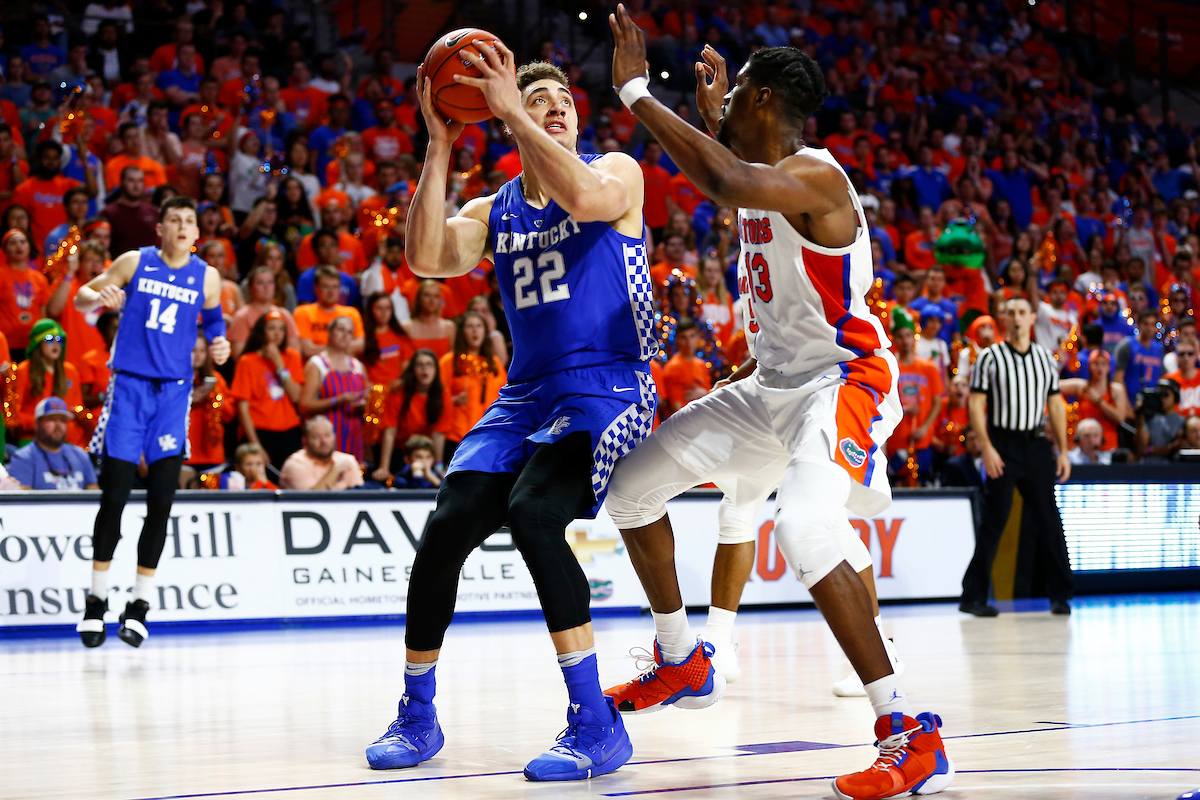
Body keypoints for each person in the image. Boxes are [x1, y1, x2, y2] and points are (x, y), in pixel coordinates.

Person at [603, 22, 951, 800]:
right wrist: (706, 118)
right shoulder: (762, 171)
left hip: (845, 381)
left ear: (760, 96)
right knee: (630, 489)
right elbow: (731, 176)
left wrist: (635, 92)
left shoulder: (818, 177)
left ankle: (907, 732)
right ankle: (683, 658)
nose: (721, 97)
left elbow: (725, 180)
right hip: (770, 387)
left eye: (735, 89)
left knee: (801, 527)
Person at [364, 50, 656, 782]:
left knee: (532, 513)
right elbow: (428, 257)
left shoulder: (617, 171)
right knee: (447, 525)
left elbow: (587, 202)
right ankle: (417, 711)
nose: (556, 106)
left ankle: (596, 724)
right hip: (526, 396)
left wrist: (515, 112)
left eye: (563, 99)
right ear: (501, 111)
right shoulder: (495, 209)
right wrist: (441, 141)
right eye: (537, 97)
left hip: (610, 386)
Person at [72, 196, 231, 649]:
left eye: (189, 221)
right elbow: (86, 296)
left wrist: (219, 346)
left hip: (173, 394)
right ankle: (96, 600)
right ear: (160, 228)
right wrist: (99, 297)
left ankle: (139, 605)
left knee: (161, 502)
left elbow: (216, 324)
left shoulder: (208, 276)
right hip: (129, 389)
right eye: (174, 220)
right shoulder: (134, 261)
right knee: (115, 497)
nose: (182, 227)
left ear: (197, 233)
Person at [962, 296, 1073, 618]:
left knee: (1049, 519)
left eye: (1022, 312)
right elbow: (975, 405)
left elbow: (1055, 406)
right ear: (1003, 318)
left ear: (1032, 317)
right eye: (1010, 313)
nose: (1017, 318)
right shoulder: (990, 357)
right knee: (994, 521)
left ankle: (1061, 595)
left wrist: (1063, 450)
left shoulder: (1044, 359)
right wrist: (987, 447)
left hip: (1036, 444)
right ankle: (973, 597)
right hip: (1002, 443)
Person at [230, 311, 305, 469]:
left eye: (281, 329)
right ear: (262, 331)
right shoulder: (247, 361)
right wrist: (256, 446)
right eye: (272, 328)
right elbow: (242, 409)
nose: (277, 334)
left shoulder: (292, 357)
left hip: (289, 432)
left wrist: (279, 365)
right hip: (259, 432)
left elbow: (296, 396)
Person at [438, 311, 507, 466]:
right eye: (470, 327)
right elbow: (436, 398)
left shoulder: (494, 363)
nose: (475, 331)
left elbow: (505, 397)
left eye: (479, 326)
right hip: (456, 436)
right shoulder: (449, 361)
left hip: (488, 435)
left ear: (485, 332)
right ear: (462, 332)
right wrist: (453, 400)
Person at [299, 316, 368, 462]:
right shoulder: (317, 365)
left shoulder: (357, 366)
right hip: (324, 439)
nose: (345, 335)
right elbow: (304, 404)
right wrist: (338, 400)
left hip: (353, 436)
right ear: (330, 333)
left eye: (349, 332)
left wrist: (363, 406)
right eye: (340, 330)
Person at [888, 309, 945, 483]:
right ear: (894, 339)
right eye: (900, 336)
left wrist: (925, 428)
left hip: (922, 440)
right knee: (896, 484)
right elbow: (882, 402)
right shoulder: (889, 368)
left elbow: (937, 402)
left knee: (923, 483)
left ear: (914, 336)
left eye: (908, 335)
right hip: (896, 440)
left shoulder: (929, 368)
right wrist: (903, 409)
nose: (905, 341)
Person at [11, 319, 86, 446]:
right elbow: (14, 413)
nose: (56, 344)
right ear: (37, 343)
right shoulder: (23, 370)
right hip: (32, 438)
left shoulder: (70, 371)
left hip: (65, 440)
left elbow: (76, 408)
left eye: (60, 340)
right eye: (50, 339)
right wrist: (42, 423)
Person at [7, 396, 98, 489]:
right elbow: (22, 500)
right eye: (52, 419)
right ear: (37, 424)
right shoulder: (23, 458)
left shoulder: (80, 455)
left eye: (62, 420)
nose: (58, 425)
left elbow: (94, 494)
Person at [183, 335, 235, 486]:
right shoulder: (175, 380)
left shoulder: (217, 379)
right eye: (193, 350)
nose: (198, 355)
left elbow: (229, 415)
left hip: (212, 454)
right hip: (186, 453)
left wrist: (217, 400)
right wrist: (191, 400)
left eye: (202, 350)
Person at [1060, 349, 1130, 453]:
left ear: (1109, 367)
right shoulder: (1082, 387)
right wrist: (1059, 362)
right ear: (1089, 367)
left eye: (1103, 364)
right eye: (1096, 363)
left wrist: (1099, 402)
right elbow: (1053, 386)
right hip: (1083, 448)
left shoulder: (1116, 390)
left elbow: (1120, 418)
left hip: (1108, 448)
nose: (1099, 368)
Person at [228, 266, 301, 360]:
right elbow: (239, 355)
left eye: (270, 282)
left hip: (282, 368)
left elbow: (295, 352)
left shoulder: (284, 315)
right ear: (250, 287)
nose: (266, 287)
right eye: (260, 283)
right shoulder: (242, 316)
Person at [293, 265, 364, 360]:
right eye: (326, 287)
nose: (331, 292)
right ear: (316, 289)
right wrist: (342, 348)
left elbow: (360, 345)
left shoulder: (351, 313)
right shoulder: (303, 312)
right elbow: (307, 350)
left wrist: (325, 349)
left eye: (335, 287)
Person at [0, 228, 50, 360]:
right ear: (4, 250)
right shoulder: (1, 275)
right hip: (7, 344)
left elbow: (43, 313)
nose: (19, 246)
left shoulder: (39, 279)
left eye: (23, 242)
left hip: (34, 342)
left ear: (29, 246)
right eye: (13, 243)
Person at [278, 414, 364, 490]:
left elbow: (360, 497)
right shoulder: (295, 464)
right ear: (305, 441)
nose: (323, 441)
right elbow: (310, 500)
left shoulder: (348, 460)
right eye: (316, 437)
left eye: (327, 435)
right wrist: (336, 469)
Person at [661, 317, 711, 417]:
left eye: (692, 336)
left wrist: (704, 393)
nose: (689, 342)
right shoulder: (673, 367)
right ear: (677, 340)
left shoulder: (701, 364)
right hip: (686, 424)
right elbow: (677, 411)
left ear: (698, 337)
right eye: (684, 337)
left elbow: (710, 399)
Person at [1113, 309, 1164, 401]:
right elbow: (1118, 378)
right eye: (1146, 324)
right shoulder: (1126, 346)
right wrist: (1125, 405)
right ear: (1138, 324)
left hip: (1152, 402)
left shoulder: (1158, 349)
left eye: (1152, 325)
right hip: (1130, 400)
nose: (1149, 328)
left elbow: (1161, 377)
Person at [401, 278, 456, 357]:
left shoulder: (449, 327)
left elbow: (451, 361)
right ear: (419, 298)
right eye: (427, 295)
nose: (432, 300)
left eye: (436, 296)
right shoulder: (406, 327)